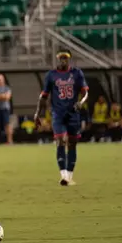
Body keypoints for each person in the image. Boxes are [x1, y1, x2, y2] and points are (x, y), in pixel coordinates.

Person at [34, 51, 88, 186]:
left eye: (65, 58)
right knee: (60, 140)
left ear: (69, 60)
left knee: (72, 143)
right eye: (60, 58)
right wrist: (37, 113)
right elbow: (44, 96)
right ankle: (63, 175)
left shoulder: (77, 73)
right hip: (58, 113)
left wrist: (81, 102)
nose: (63, 60)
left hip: (73, 113)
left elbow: (85, 92)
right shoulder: (51, 75)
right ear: (57, 59)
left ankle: (69, 176)